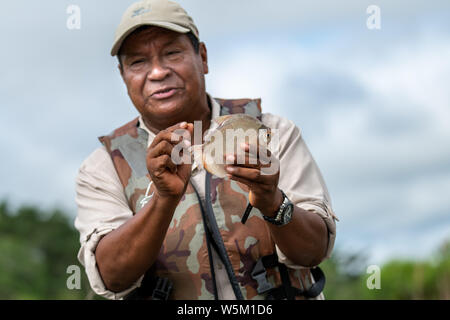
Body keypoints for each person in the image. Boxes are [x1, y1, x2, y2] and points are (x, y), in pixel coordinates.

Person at [75, 0, 338, 300]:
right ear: (123, 76)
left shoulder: (270, 132)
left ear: (202, 57)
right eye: (138, 62)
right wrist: (163, 201)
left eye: (172, 53)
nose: (158, 72)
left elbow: (314, 250)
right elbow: (112, 276)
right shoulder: (104, 166)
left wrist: (273, 202)